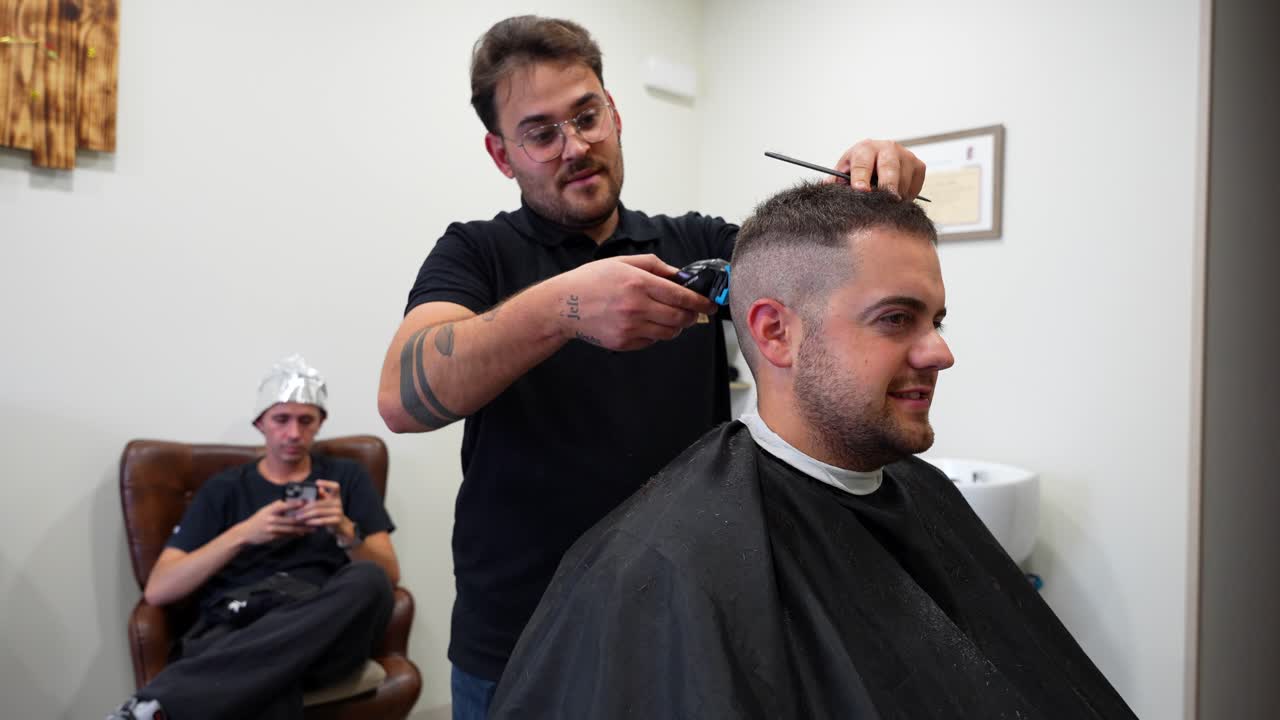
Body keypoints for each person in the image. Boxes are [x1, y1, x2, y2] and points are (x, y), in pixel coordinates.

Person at [376, 16, 927, 714]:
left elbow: (823, 285)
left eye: (587, 115)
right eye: (541, 132)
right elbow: (401, 397)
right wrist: (564, 308)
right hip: (517, 639)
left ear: (615, 112)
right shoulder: (474, 255)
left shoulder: (698, 242)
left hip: (683, 622)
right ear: (500, 153)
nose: (575, 146)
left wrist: (865, 193)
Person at [489, 184, 1138, 719]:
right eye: (895, 319)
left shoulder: (922, 493)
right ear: (775, 334)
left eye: (935, 320)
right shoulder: (659, 570)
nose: (940, 352)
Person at [108, 355, 399, 720]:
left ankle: (156, 704)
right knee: (269, 685)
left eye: (305, 421)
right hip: (239, 624)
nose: (293, 433)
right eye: (281, 420)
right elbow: (159, 589)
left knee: (368, 578)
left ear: (320, 424)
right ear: (260, 423)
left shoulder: (346, 477)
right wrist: (245, 533)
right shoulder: (224, 490)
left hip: (319, 628)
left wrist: (345, 531)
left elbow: (388, 574)